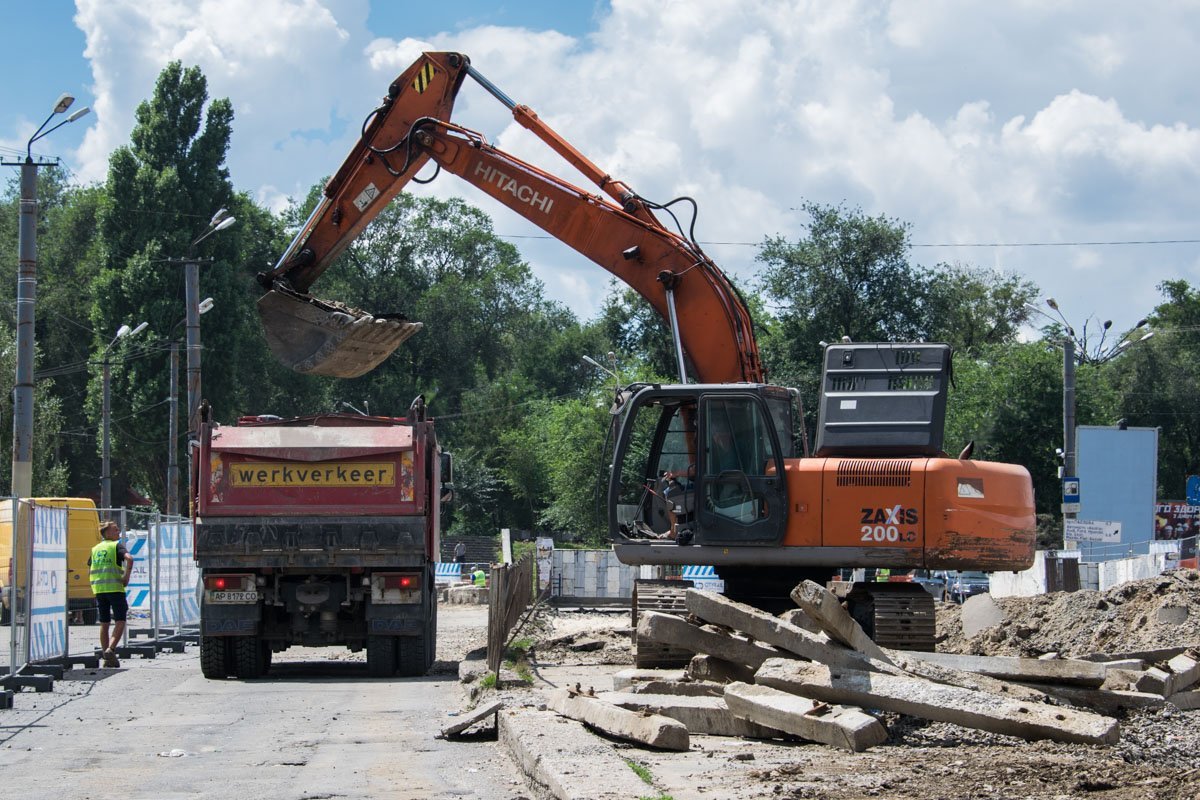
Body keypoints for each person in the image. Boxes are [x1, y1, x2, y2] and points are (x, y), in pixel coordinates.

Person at [89, 520, 134, 668]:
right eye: (115, 530)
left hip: (100, 590)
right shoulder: (116, 546)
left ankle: (107, 658)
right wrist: (126, 576)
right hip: (115, 587)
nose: (118, 533)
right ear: (107, 533)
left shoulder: (95, 548)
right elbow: (129, 558)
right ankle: (111, 649)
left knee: (104, 622)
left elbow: (90, 566)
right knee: (120, 620)